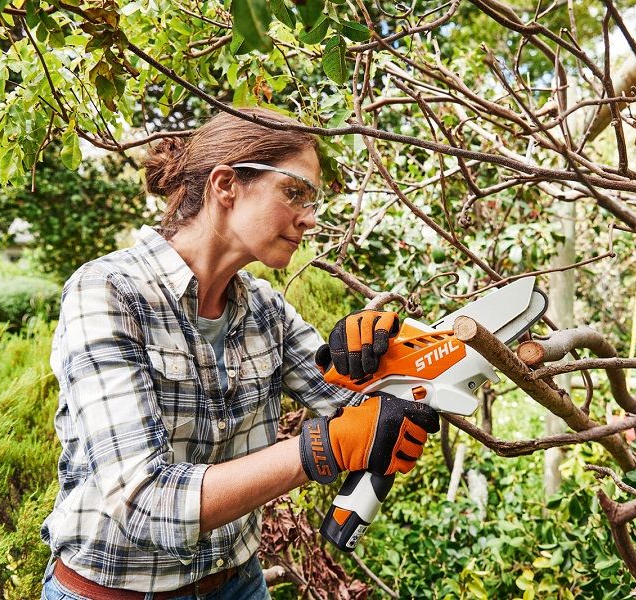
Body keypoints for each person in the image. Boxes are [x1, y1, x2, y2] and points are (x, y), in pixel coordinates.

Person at [40, 107, 440, 600]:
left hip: (238, 583)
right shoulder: (109, 292)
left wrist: (383, 359)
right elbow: (147, 501)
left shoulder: (264, 308)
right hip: (114, 592)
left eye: (313, 200)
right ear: (226, 185)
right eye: (295, 192)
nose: (309, 219)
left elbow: (363, 411)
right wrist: (322, 447)